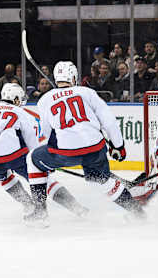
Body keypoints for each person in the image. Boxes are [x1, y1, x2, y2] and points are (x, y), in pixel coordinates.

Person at [26, 61, 145, 225]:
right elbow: (109, 122)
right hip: (95, 149)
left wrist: (50, 162)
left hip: (65, 152)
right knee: (101, 181)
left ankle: (40, 212)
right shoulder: (87, 92)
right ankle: (137, 212)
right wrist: (119, 147)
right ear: (73, 77)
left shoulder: (45, 99)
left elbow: (46, 133)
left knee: (32, 159)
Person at [0, 83, 88, 225]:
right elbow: (32, 143)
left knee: (4, 178)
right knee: (43, 178)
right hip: (13, 155)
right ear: (16, 99)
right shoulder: (22, 113)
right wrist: (42, 164)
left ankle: (29, 206)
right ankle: (75, 208)